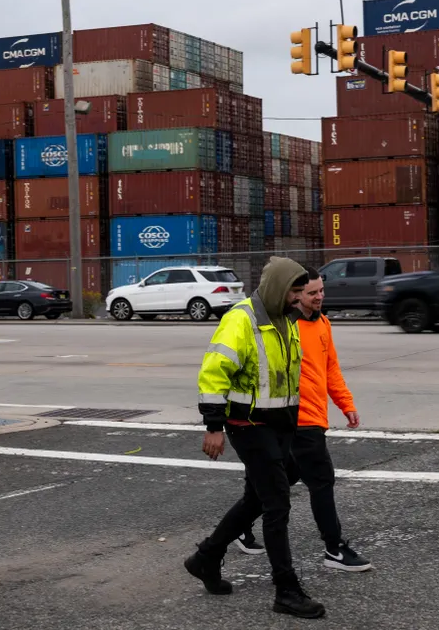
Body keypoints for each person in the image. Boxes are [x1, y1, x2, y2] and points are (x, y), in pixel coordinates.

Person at [185, 257, 325, 619]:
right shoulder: (242, 319)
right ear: (279, 287)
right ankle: (286, 591)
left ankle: (207, 556)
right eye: (295, 290)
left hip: (280, 425)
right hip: (248, 425)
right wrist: (213, 427)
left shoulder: (286, 320)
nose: (300, 297)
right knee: (277, 503)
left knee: (259, 497)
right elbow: (213, 373)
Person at [236, 266, 372, 572]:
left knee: (272, 483)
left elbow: (330, 368)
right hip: (292, 416)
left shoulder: (323, 322)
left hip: (311, 417)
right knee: (321, 479)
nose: (319, 297)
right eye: (311, 293)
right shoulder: (284, 325)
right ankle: (334, 548)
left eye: (321, 291)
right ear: (294, 295)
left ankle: (234, 532)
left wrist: (345, 404)